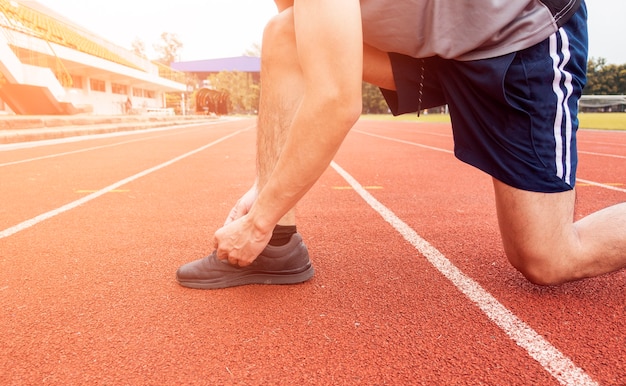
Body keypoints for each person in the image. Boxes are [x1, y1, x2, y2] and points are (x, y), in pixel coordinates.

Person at [176, 0, 626, 289]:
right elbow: (321, 55)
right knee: (287, 33)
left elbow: (335, 99)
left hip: (517, 39)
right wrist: (266, 197)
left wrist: (254, 221)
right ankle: (277, 246)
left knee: (548, 258)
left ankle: (262, 235)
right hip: (432, 48)